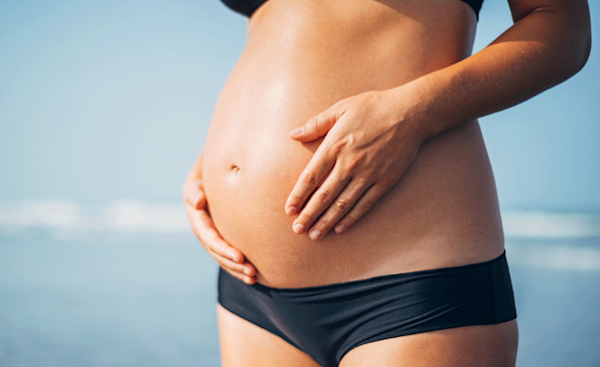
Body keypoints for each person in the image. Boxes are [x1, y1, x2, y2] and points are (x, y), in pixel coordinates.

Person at [183, 0, 591, 366]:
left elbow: (563, 28)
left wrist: (412, 113)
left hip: (412, 285)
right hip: (252, 292)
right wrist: (213, 166)